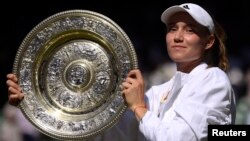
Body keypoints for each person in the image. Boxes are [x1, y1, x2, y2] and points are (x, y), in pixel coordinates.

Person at [6, 3, 235, 141]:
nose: (177, 36)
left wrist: (138, 107)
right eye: (172, 29)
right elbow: (105, 134)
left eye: (190, 30)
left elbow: (179, 138)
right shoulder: (159, 92)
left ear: (208, 42)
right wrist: (36, 104)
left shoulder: (213, 79)